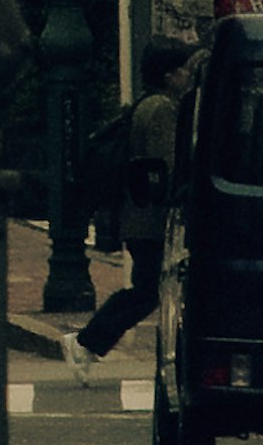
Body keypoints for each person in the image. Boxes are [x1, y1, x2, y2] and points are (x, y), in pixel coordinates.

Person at [76, 38, 193, 355]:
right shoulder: (161, 109)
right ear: (169, 75)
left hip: (143, 219)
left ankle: (88, 343)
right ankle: (87, 342)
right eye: (183, 70)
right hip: (150, 221)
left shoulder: (149, 105)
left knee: (148, 289)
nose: (187, 76)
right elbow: (166, 164)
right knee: (147, 291)